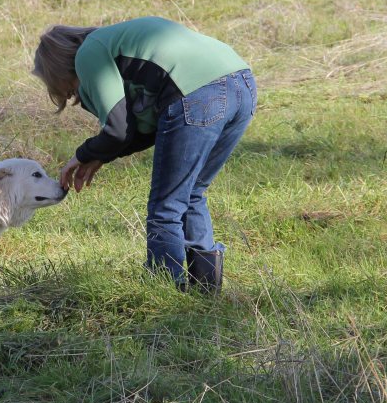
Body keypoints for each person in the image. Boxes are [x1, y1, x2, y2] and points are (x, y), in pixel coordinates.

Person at [31, 16, 256, 292]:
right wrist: (102, 155)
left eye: (71, 91)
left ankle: (165, 291)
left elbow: (117, 130)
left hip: (198, 94)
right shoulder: (123, 44)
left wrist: (84, 153)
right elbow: (147, 131)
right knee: (192, 193)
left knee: (166, 207)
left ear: (59, 70)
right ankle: (205, 292)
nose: (77, 96)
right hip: (242, 83)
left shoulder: (89, 53)